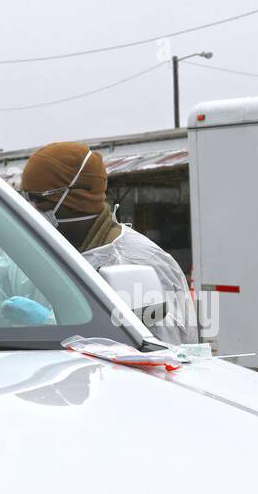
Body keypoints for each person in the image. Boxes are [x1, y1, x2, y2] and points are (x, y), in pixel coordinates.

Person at [20, 141, 197, 345]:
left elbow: (158, 352)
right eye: (25, 200)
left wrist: (51, 323)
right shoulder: (51, 251)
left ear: (77, 199)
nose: (31, 210)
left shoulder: (136, 262)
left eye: (38, 200)